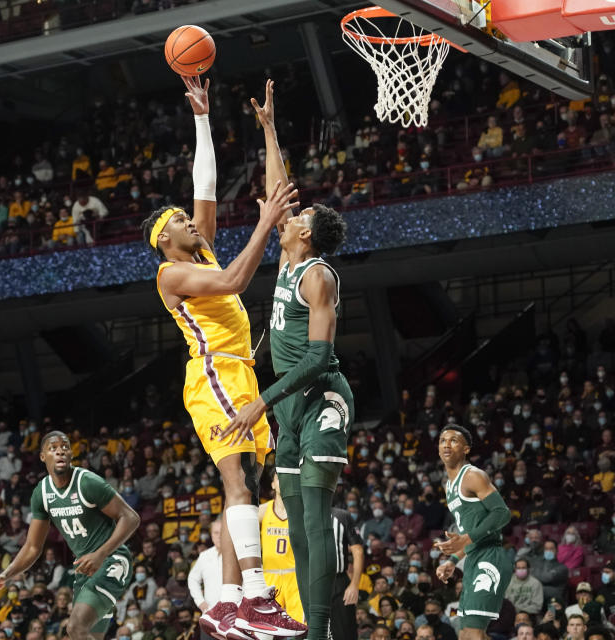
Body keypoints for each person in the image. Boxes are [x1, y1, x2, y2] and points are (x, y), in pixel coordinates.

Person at [141, 74, 302, 640]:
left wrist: (203, 117)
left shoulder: (198, 246)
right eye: (179, 222)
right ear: (164, 239)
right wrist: (264, 220)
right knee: (238, 486)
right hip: (211, 375)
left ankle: (230, 603)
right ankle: (254, 597)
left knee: (251, 487)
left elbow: (203, 184)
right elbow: (237, 276)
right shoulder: (171, 272)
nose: (190, 219)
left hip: (239, 370)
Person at [219, 78, 352, 640]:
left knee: (317, 520)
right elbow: (280, 191)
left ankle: (319, 631)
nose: (289, 214)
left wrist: (259, 402)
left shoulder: (318, 275)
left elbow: (320, 358)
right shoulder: (288, 256)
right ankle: (304, 623)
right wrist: (269, 130)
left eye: (300, 214)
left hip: (320, 400)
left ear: (308, 232)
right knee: (296, 525)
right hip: (289, 410)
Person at [0, 431, 140, 640]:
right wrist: (6, 574)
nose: (60, 451)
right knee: (87, 635)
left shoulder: (87, 482)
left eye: (65, 447)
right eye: (53, 448)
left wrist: (100, 554)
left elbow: (131, 517)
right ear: (43, 456)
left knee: (75, 628)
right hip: (84, 570)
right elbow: (32, 547)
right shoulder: (42, 493)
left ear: (71, 455)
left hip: (111, 560)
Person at [434, 424, 513, 640]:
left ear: (466, 449)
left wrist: (466, 539)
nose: (446, 444)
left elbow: (502, 513)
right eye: (442, 440)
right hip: (474, 558)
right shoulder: (449, 486)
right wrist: (452, 560)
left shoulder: (473, 476)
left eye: (453, 440)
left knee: (474, 634)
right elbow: (470, 533)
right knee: (465, 634)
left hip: (490, 556)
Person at [259, 472, 305, 623]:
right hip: (269, 577)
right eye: (279, 477)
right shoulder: (263, 510)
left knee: (300, 627)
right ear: (272, 484)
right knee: (267, 627)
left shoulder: (301, 511)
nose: (284, 481)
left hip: (295, 577)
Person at [329, 505, 363, 640]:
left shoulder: (341, 516)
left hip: (339, 582)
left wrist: (354, 585)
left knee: (345, 632)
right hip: (310, 583)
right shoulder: (301, 515)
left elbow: (358, 551)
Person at [187, 519, 223, 639]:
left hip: (233, 620)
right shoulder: (204, 556)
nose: (219, 536)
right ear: (211, 535)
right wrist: (200, 602)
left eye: (222, 532)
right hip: (210, 618)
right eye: (216, 533)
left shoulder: (237, 554)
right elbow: (192, 579)